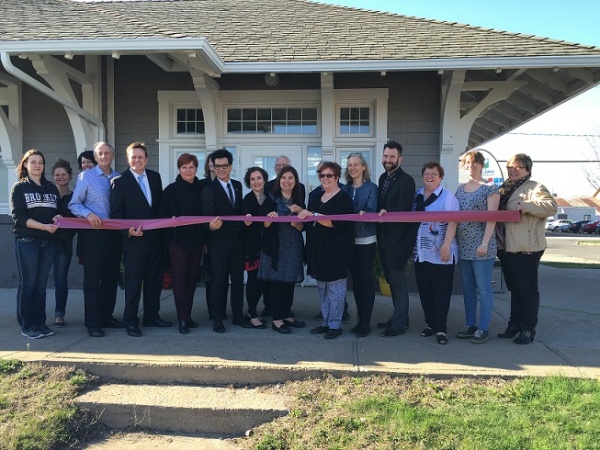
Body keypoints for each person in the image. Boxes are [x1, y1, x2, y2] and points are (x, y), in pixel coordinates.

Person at [110, 141, 171, 337]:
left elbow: (159, 207)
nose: (137, 160)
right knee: (134, 283)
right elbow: (115, 214)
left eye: (140, 157)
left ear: (146, 159)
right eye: (133, 157)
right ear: (128, 159)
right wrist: (127, 231)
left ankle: (152, 316)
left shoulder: (155, 177)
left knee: (154, 280)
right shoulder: (120, 182)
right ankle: (130, 321)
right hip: (134, 242)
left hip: (155, 240)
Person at [496, 153, 557, 345]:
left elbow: (551, 207)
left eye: (518, 167)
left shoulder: (535, 188)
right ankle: (514, 325)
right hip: (506, 247)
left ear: (527, 169)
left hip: (526, 246)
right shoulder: (503, 189)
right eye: (510, 167)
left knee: (527, 289)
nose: (512, 170)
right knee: (515, 288)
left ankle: (528, 328)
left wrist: (527, 205)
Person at [70, 142, 124, 338]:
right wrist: (89, 214)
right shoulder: (86, 177)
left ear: (112, 155)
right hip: (94, 234)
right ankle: (92, 322)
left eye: (107, 153)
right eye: (100, 153)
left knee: (110, 278)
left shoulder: (119, 177)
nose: (104, 156)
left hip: (114, 235)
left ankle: (106, 316)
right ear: (95, 157)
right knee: (93, 280)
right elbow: (74, 204)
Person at [300, 162, 354, 340]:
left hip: (336, 252)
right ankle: (325, 322)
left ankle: (335, 325)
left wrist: (313, 215)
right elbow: (310, 218)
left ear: (337, 177)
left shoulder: (343, 198)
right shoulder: (317, 196)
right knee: (322, 289)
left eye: (329, 175)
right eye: (322, 175)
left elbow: (333, 222)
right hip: (318, 250)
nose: (325, 178)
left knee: (335, 290)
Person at [11, 149, 60, 339]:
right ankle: (27, 325)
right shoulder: (19, 188)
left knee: (41, 285)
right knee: (29, 284)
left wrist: (57, 218)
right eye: (33, 162)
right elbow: (19, 217)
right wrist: (43, 227)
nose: (37, 165)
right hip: (27, 241)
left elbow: (54, 212)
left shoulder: (51, 188)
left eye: (40, 162)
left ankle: (40, 323)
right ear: (25, 164)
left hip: (48, 242)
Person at [201, 148, 250, 333]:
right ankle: (217, 318)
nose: (221, 169)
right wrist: (210, 226)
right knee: (218, 282)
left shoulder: (237, 185)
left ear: (230, 167)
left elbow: (238, 212)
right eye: (217, 166)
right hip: (218, 243)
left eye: (224, 166)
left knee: (238, 281)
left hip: (237, 242)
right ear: (213, 168)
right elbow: (205, 217)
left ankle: (237, 315)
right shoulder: (208, 189)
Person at [455, 150, 500, 344]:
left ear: (481, 165)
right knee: (468, 288)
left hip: (482, 247)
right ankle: (470, 323)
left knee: (483, 288)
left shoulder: (490, 188)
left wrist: (484, 243)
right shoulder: (460, 189)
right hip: (463, 246)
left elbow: (492, 218)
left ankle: (483, 328)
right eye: (467, 163)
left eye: (474, 163)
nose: (471, 166)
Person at [158, 153, 206, 334]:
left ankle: (188, 315)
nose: (188, 171)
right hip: (177, 242)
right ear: (179, 169)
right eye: (184, 167)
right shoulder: (171, 190)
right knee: (179, 280)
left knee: (191, 280)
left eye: (191, 167)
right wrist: (170, 220)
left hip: (197, 241)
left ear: (196, 169)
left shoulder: (202, 188)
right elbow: (161, 215)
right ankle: (182, 319)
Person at [413, 162, 459, 345]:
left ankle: (441, 328)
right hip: (421, 252)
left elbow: (453, 222)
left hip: (442, 252)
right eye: (427, 173)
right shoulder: (417, 195)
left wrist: (446, 245)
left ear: (441, 177)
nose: (430, 176)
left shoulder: (448, 197)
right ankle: (430, 324)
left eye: (434, 174)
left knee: (441, 292)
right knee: (425, 291)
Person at [376, 141, 417, 337]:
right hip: (383, 238)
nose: (388, 160)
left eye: (392, 157)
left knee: (398, 282)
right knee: (391, 280)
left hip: (398, 240)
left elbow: (404, 207)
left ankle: (399, 324)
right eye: (386, 156)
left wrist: (388, 212)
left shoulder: (406, 180)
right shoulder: (383, 178)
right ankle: (400, 316)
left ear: (400, 159)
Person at [259, 166, 306, 334]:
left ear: (295, 181)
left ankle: (287, 315)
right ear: (279, 181)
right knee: (277, 283)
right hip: (276, 246)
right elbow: (263, 225)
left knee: (289, 282)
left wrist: (297, 222)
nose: (287, 181)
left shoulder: (298, 200)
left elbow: (302, 227)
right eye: (283, 178)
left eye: (290, 178)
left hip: (293, 245)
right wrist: (270, 218)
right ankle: (277, 320)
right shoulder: (271, 199)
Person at [341, 153, 378, 337]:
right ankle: (359, 319)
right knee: (356, 281)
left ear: (363, 167)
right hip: (349, 241)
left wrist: (364, 214)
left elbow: (371, 210)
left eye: (356, 164)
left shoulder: (371, 188)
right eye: (350, 165)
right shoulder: (345, 189)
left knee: (366, 280)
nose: (352, 168)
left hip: (366, 240)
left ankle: (366, 322)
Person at [242, 166, 270, 329]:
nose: (256, 182)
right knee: (253, 282)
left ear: (264, 179)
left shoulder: (270, 198)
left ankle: (251, 312)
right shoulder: (247, 199)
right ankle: (252, 314)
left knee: (263, 282)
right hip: (252, 248)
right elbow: (243, 226)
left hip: (267, 247)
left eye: (259, 178)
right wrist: (246, 222)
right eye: (252, 179)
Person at [50, 159, 76, 328]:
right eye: (57, 175)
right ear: (53, 177)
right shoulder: (48, 196)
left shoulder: (74, 198)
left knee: (60, 280)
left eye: (64, 174)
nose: (60, 177)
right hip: (44, 242)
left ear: (70, 176)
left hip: (64, 244)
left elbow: (76, 220)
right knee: (38, 280)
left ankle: (59, 314)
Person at [198, 152, 215, 318]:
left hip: (223, 238)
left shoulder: (230, 184)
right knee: (211, 276)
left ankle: (220, 309)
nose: (212, 165)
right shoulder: (202, 185)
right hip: (207, 237)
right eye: (210, 162)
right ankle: (212, 311)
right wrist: (203, 240)